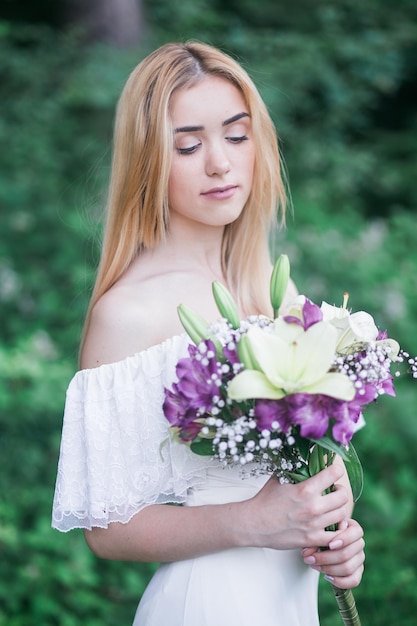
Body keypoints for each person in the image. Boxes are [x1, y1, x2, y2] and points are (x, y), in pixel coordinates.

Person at [52, 41, 365, 625]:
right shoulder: (129, 311)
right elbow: (106, 528)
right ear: (150, 161)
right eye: (189, 145)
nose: (219, 162)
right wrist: (253, 521)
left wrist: (336, 529)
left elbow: (298, 474)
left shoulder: (278, 296)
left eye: (237, 136)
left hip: (292, 605)